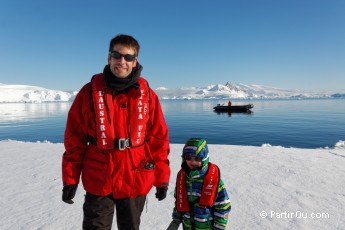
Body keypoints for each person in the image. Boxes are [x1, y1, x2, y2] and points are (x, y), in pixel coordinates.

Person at [61, 34, 171, 230]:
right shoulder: (88, 93)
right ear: (108, 57)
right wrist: (70, 178)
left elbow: (158, 140)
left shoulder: (148, 96)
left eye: (128, 57)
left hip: (134, 178)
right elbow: (74, 139)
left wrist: (161, 178)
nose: (122, 61)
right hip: (99, 179)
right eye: (117, 55)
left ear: (135, 60)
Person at [167, 138, 231, 230]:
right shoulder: (183, 179)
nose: (192, 161)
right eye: (188, 157)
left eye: (197, 158)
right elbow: (179, 202)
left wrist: (219, 227)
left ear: (204, 158)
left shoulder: (214, 181)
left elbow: (223, 207)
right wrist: (176, 220)